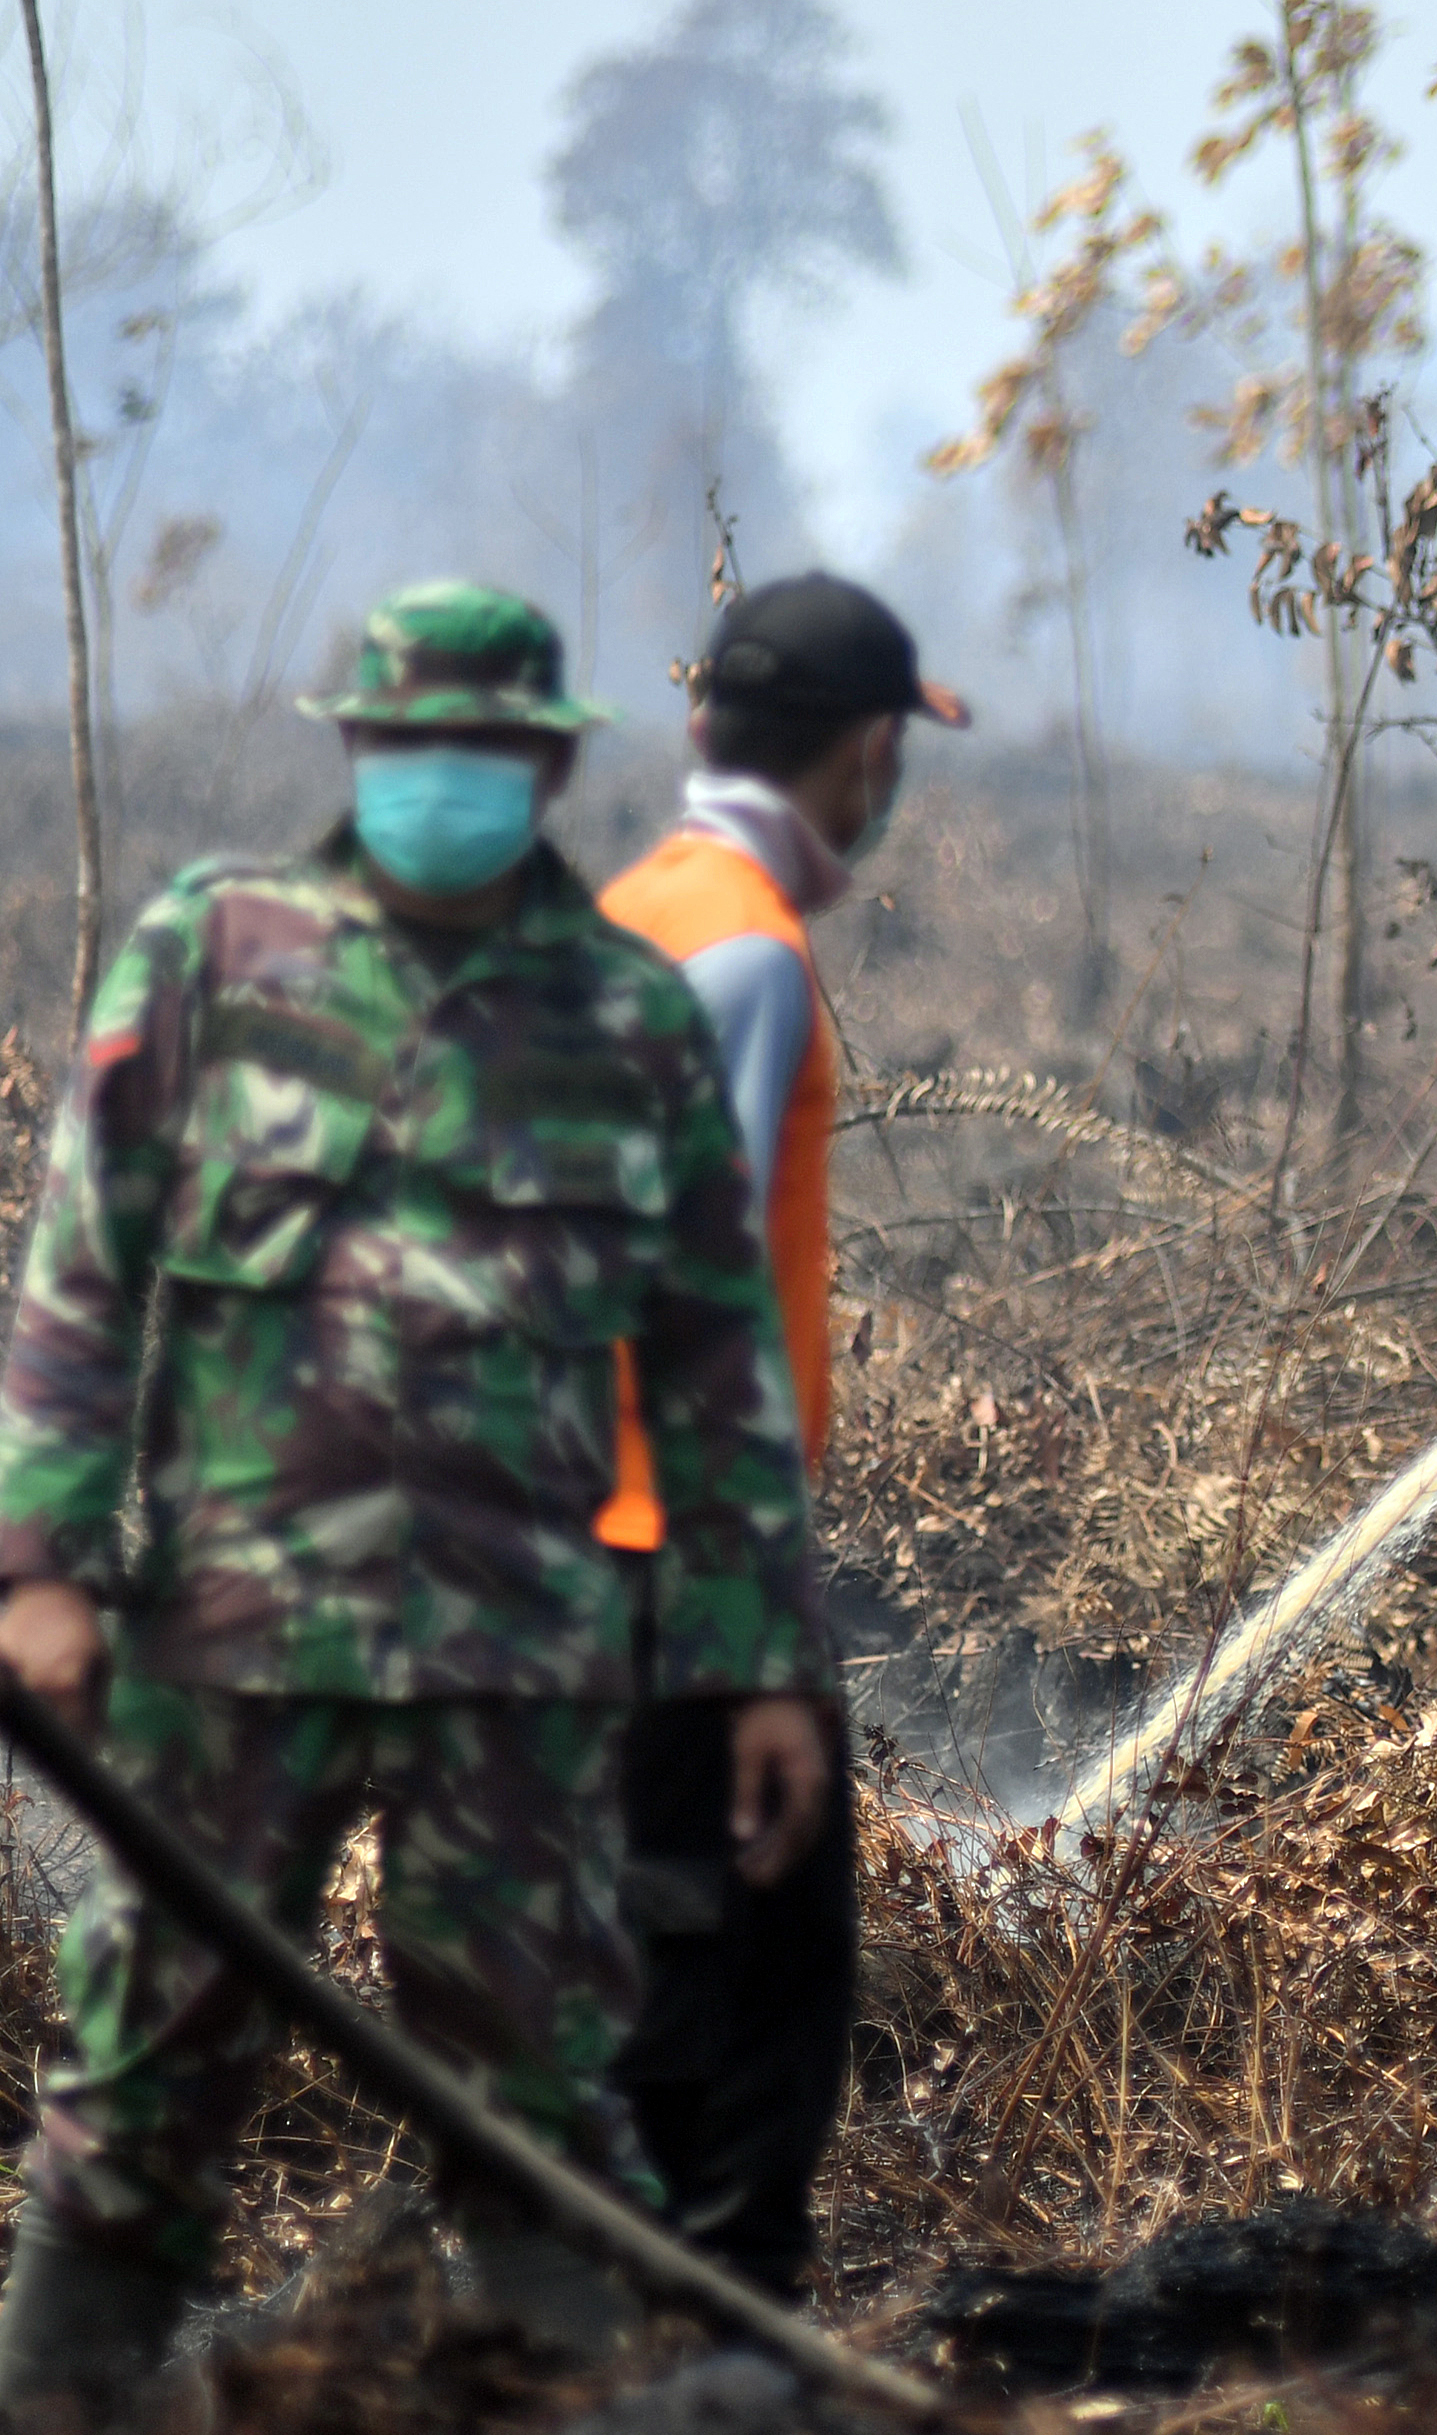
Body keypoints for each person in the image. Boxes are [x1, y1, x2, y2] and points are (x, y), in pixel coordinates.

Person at [0, 582, 833, 2408]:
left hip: (518, 1669)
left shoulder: (622, 1015)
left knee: (533, 2090)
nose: (438, 779)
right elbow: (80, 1276)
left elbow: (711, 1375)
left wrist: (760, 1662)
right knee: (144, 2075)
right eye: (405, 747)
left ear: (545, 766)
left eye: (478, 751)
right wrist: (42, 1565)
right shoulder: (217, 956)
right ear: (357, 754)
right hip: (230, 1641)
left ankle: (568, 2392)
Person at [592, 573, 963, 2301]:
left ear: (698, 730)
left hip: (571, 1543)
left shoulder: (631, 910)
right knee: (755, 2006)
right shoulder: (746, 950)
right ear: (870, 751)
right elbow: (705, 1300)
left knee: (645, 1967)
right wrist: (754, 1643)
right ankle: (716, 2352)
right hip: (683, 1562)